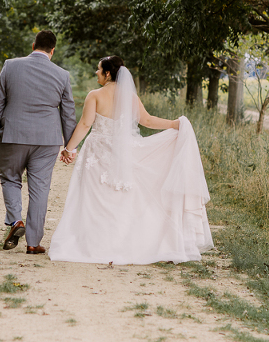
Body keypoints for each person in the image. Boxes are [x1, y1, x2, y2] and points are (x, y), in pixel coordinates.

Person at [49, 56, 214, 264]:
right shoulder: (130, 98)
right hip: (122, 152)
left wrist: (69, 148)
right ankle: (121, 243)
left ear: (107, 73)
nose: (96, 73)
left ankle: (95, 244)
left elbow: (84, 124)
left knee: (95, 200)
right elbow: (147, 120)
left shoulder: (95, 95)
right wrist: (174, 124)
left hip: (97, 153)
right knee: (119, 198)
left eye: (98, 70)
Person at [0, 30, 77, 254]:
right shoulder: (62, 75)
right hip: (47, 140)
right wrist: (69, 146)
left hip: (13, 135)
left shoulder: (10, 66)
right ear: (53, 50)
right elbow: (68, 114)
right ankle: (33, 243)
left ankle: (16, 221)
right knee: (40, 189)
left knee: (10, 178)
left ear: (33, 45)